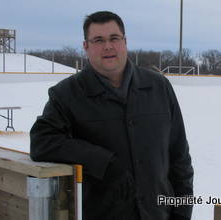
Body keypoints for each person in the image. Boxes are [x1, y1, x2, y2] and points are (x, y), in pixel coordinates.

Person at [30, 11, 193, 220]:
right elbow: (42, 142)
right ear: (86, 46)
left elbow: (180, 159)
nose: (108, 46)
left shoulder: (158, 87)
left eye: (114, 38)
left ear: (125, 42)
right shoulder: (67, 94)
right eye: (98, 40)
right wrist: (103, 162)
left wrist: (182, 212)